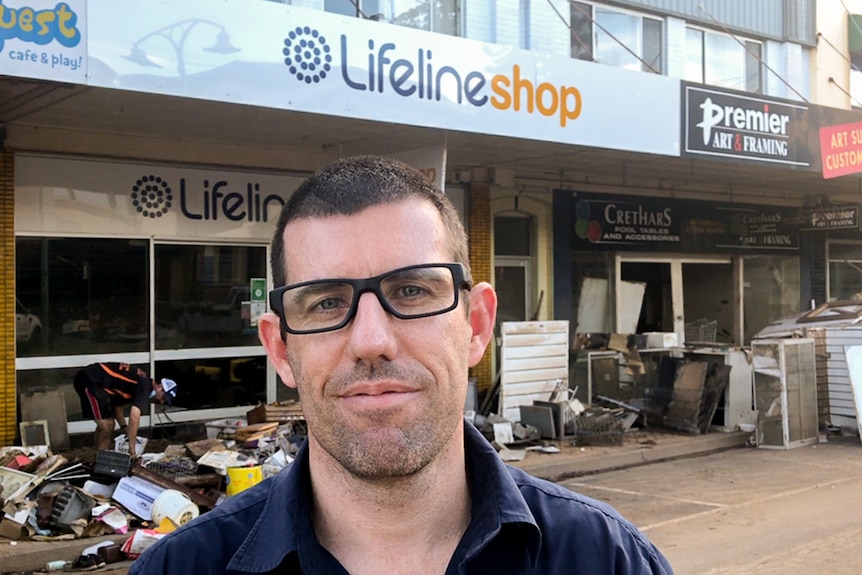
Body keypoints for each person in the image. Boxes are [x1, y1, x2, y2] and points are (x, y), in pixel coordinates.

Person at [130, 156, 673, 574]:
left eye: (412, 290)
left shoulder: (607, 559)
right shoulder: (180, 567)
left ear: (477, 326)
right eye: (325, 302)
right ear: (280, 349)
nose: (370, 340)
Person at [73, 362, 177, 458]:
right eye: (163, 398)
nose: (162, 402)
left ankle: (97, 456)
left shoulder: (137, 384)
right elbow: (134, 416)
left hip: (93, 380)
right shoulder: (145, 387)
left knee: (105, 425)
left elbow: (117, 406)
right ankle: (99, 460)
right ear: (159, 387)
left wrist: (124, 427)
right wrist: (132, 449)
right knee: (107, 425)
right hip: (91, 380)